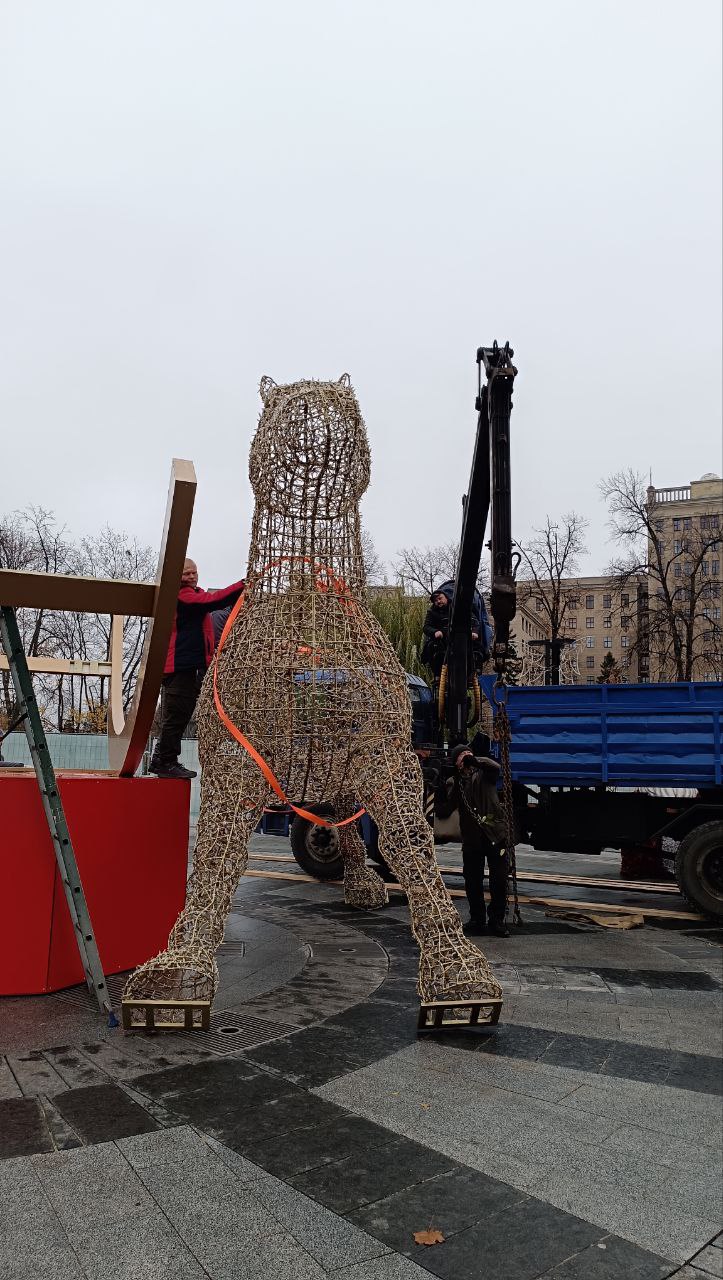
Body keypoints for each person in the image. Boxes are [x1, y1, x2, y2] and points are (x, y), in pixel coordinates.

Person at [149, 559, 245, 779]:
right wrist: (242, 584)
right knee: (177, 714)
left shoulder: (190, 594)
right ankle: (166, 761)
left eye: (194, 573)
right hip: (182, 665)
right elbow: (211, 601)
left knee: (179, 714)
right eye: (186, 574)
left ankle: (160, 758)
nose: (192, 577)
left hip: (189, 664)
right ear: (177, 577)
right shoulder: (182, 596)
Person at [434, 743, 510, 936]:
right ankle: (477, 919)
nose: (466, 757)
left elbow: (495, 767)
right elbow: (444, 811)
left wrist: (476, 760)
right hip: (472, 840)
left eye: (469, 754)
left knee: (499, 880)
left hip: (495, 836)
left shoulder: (485, 775)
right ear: (456, 763)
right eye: (462, 756)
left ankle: (497, 920)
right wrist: (440, 787)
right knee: (473, 882)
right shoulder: (455, 782)